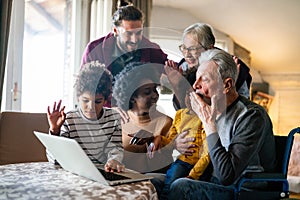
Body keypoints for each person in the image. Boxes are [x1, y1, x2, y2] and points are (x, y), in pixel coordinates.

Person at [167, 48, 276, 199]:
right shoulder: (212, 107)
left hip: (242, 190)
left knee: (180, 187)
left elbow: (226, 176)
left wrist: (209, 124)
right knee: (155, 183)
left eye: (204, 80)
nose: (195, 86)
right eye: (196, 79)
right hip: (213, 182)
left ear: (227, 85)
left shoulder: (251, 115)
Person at [47, 61, 124, 172]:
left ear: (105, 100)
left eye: (98, 101)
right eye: (85, 100)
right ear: (78, 98)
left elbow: (115, 148)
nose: (91, 107)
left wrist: (114, 161)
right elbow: (54, 159)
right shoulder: (68, 119)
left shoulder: (113, 118)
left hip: (101, 172)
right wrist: (54, 131)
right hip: (74, 173)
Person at [165, 23, 252, 110]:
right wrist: (178, 86)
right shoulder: (183, 67)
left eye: (192, 49)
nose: (187, 54)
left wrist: (232, 84)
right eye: (184, 48)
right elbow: (181, 111)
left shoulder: (232, 67)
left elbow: (242, 111)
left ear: (209, 48)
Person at [112, 62, 173, 173]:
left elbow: (163, 169)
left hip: (149, 181)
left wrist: (151, 142)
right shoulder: (119, 118)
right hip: (119, 176)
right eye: (147, 92)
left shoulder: (165, 122)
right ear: (131, 97)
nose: (155, 95)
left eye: (155, 89)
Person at [81, 5, 167, 78]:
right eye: (128, 33)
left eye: (138, 33)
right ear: (115, 30)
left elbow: (171, 69)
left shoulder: (152, 50)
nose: (134, 40)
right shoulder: (94, 50)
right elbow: (84, 86)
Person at [153, 88, 210, 199]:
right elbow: (171, 140)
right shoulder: (180, 114)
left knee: (175, 186)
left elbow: (207, 153)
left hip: (200, 165)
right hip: (183, 161)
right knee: (171, 180)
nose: (190, 99)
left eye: (197, 95)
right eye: (188, 94)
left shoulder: (205, 118)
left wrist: (193, 175)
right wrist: (159, 138)